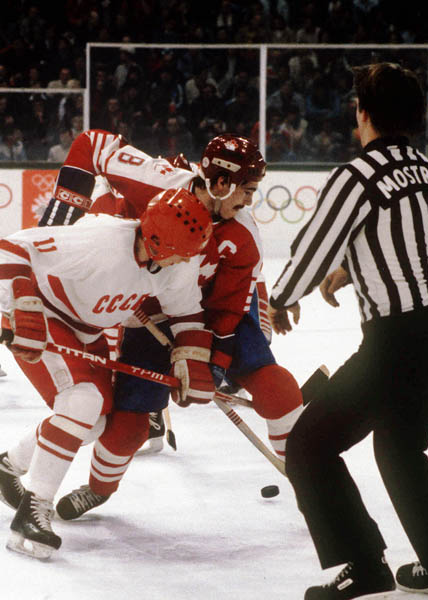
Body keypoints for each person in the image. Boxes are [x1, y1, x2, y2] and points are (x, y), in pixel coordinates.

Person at [267, 62, 428, 599]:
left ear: (362, 113)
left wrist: (281, 299)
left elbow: (310, 250)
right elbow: (411, 239)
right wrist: (353, 268)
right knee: (401, 446)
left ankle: (364, 566)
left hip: (396, 342)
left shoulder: (357, 176)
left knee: (310, 446)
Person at [16, 130, 303, 520]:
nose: (250, 201)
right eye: (247, 190)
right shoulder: (159, 184)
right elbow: (92, 145)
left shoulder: (242, 235)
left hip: (205, 316)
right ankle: (98, 490)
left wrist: (211, 364)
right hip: (150, 313)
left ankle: (309, 481)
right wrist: (62, 217)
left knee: (277, 388)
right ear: (220, 183)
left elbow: (230, 308)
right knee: (126, 430)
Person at [0, 189, 215, 559]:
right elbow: (11, 247)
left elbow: (186, 314)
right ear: (160, 243)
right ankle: (34, 510)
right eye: (186, 248)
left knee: (95, 422)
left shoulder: (176, 264)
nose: (190, 258)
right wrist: (20, 300)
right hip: (46, 315)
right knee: (83, 402)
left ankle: (10, 465)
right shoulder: (100, 239)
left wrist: (191, 359)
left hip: (88, 331)